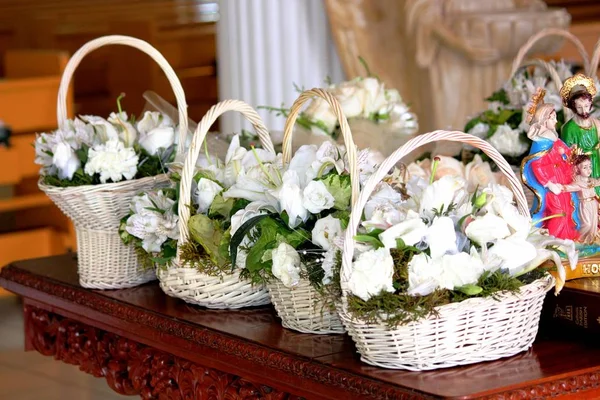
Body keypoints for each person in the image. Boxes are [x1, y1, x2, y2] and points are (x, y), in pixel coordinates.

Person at [522, 88, 580, 240]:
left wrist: (570, 152)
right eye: (553, 118)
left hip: (562, 180)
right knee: (557, 211)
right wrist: (548, 184)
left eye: (555, 117)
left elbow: (565, 152)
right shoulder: (541, 141)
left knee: (568, 208)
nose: (556, 121)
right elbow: (537, 165)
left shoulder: (553, 137)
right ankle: (554, 239)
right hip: (552, 185)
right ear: (544, 120)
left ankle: (567, 236)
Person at [560, 73, 600, 196]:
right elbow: (565, 156)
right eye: (580, 107)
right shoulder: (569, 128)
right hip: (581, 169)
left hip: (596, 162)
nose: (584, 111)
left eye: (587, 106)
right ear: (573, 107)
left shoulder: (596, 124)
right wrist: (573, 152)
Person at [559, 153, 600, 244]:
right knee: (587, 224)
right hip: (585, 205)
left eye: (590, 166)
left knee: (593, 225)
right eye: (585, 167)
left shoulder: (591, 180)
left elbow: (598, 182)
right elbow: (569, 188)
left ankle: (588, 241)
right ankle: (577, 240)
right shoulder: (578, 183)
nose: (589, 170)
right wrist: (559, 187)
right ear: (577, 169)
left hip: (593, 204)